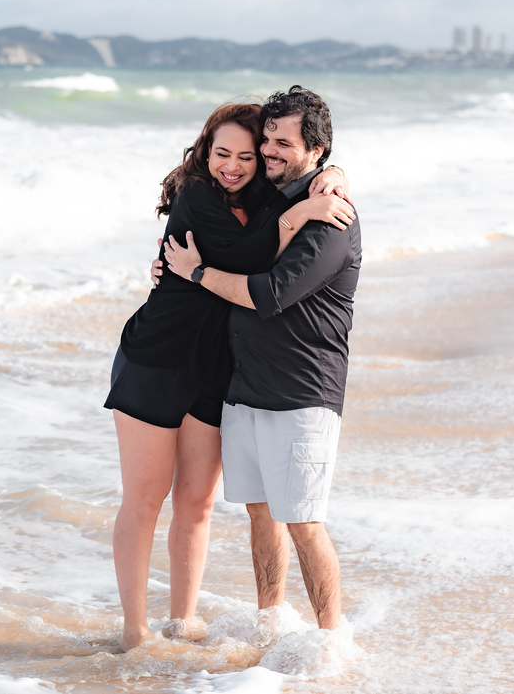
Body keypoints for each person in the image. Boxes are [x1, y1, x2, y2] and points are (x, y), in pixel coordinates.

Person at [105, 100, 354, 652]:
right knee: (144, 499)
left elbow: (302, 181)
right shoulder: (196, 195)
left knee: (196, 504)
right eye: (223, 153)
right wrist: (299, 216)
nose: (235, 165)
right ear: (205, 150)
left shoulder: (268, 196)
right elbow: (246, 257)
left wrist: (333, 175)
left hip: (218, 366)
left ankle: (183, 622)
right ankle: (134, 631)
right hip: (157, 359)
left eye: (249, 154)